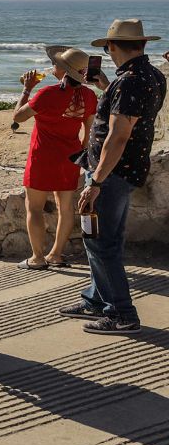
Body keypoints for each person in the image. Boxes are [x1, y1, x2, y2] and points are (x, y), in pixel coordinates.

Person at [62, 19, 165, 335]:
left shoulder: (130, 82)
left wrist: (96, 181)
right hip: (126, 170)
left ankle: (122, 313)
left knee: (100, 242)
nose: (106, 50)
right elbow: (131, 114)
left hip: (112, 173)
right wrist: (106, 88)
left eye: (107, 46)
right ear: (142, 45)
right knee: (107, 238)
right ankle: (95, 299)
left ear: (112, 47)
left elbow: (119, 135)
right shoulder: (151, 77)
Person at [12, 47, 97, 269]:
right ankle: (56, 255)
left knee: (34, 208)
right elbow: (89, 129)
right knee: (66, 207)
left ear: (64, 71)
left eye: (57, 64)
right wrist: (83, 151)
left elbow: (18, 117)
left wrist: (26, 89)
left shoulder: (47, 93)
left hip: (42, 157)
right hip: (70, 156)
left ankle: (37, 258)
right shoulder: (88, 96)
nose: (53, 66)